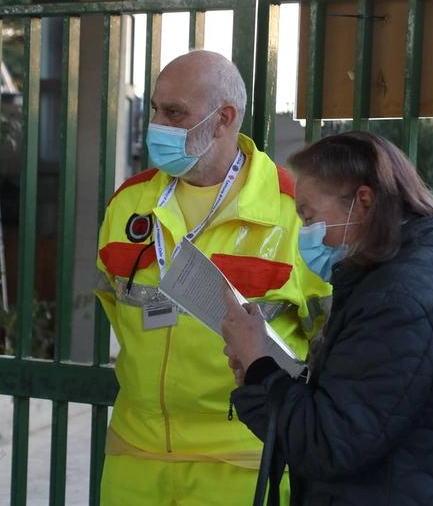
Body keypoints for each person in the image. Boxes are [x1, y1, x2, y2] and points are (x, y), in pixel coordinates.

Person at [221, 131, 433, 506]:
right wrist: (261, 379)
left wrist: (259, 365)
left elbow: (328, 444)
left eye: (309, 216)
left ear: (363, 203)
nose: (305, 233)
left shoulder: (399, 302)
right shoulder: (425, 273)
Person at [95, 49, 332, 506]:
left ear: (224, 118)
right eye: (156, 109)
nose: (157, 125)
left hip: (243, 461)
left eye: (175, 112)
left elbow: (330, 341)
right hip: (136, 455)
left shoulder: (292, 211)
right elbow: (115, 307)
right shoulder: (128, 204)